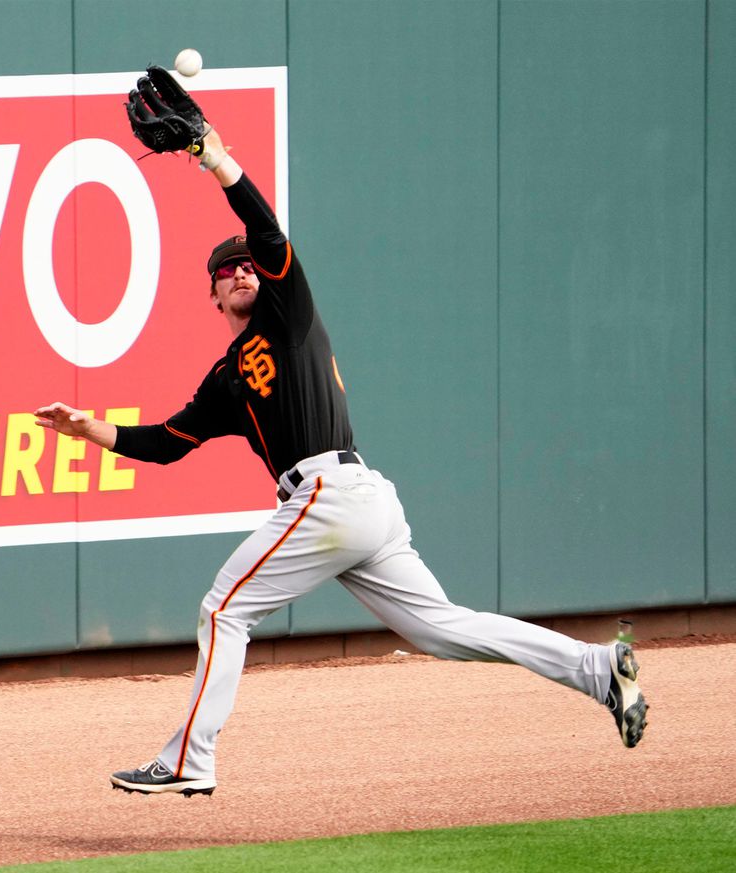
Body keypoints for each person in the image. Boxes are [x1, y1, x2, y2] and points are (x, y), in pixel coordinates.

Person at [33, 68, 648, 797]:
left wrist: (211, 154)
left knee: (223, 607)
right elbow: (166, 441)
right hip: (350, 506)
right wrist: (88, 429)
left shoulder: (287, 312)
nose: (238, 271)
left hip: (334, 491)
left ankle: (189, 759)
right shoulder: (226, 378)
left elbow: (265, 229)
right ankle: (597, 668)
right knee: (442, 630)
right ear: (211, 292)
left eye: (243, 265)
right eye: (223, 268)